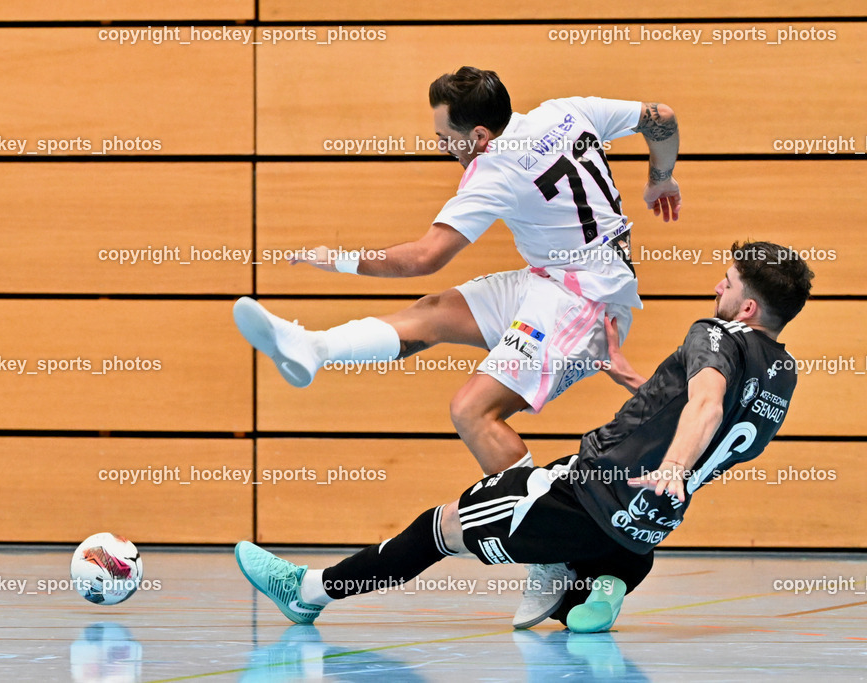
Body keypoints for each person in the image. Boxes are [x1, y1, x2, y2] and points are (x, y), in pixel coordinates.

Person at [234, 241, 814, 633]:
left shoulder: (717, 333)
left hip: (586, 496)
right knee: (608, 548)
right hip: (646, 524)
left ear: (746, 307)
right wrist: (634, 380)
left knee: (440, 529)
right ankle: (604, 582)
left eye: (726, 282)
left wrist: (674, 468)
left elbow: (706, 404)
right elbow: (709, 411)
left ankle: (309, 591)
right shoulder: (782, 372)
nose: (716, 286)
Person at [234, 66, 681, 477]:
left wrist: (339, 259)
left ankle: (541, 534)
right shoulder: (565, 111)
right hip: (553, 279)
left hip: (588, 303)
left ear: (480, 135)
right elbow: (660, 117)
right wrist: (660, 178)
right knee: (435, 312)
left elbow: (424, 258)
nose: (442, 146)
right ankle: (314, 347)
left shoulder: (495, 169)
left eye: (446, 137)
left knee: (472, 411)